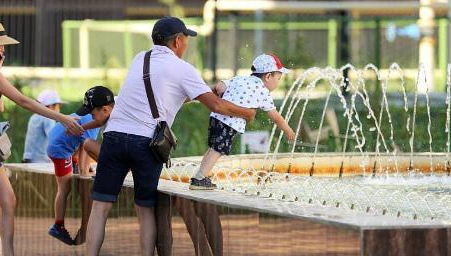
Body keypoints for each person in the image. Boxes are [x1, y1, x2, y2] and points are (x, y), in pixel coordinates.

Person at [86, 16, 256, 256]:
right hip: (145, 142)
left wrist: (200, 91)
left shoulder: (140, 59)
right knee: (144, 210)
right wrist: (246, 113)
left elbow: (163, 92)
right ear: (177, 41)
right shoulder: (183, 68)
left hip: (113, 135)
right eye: (185, 39)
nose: (186, 45)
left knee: (100, 207)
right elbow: (217, 106)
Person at [0, 20, 83, 256]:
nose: (3, 49)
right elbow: (23, 101)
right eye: (0, 44)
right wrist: (62, 117)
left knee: (9, 200)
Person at [190, 54, 296, 190]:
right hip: (230, 123)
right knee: (218, 149)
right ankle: (199, 178)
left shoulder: (240, 79)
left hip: (215, 117)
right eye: (278, 78)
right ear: (268, 76)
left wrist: (225, 96)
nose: (278, 82)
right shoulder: (263, 91)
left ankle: (200, 175)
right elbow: (275, 117)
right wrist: (287, 130)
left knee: (213, 148)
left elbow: (220, 87)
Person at [47, 86, 114, 245]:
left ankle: (60, 224)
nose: (91, 115)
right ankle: (58, 225)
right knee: (64, 188)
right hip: (60, 150)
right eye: (91, 114)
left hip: (58, 143)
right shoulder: (98, 118)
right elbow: (85, 147)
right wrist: (84, 173)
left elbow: (81, 143)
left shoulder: (96, 116)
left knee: (73, 176)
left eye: (92, 113)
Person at [22, 89, 65, 163]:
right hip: (40, 161)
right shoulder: (48, 118)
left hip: (29, 158)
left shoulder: (34, 117)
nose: (59, 109)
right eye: (58, 106)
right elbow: (54, 137)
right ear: (51, 106)